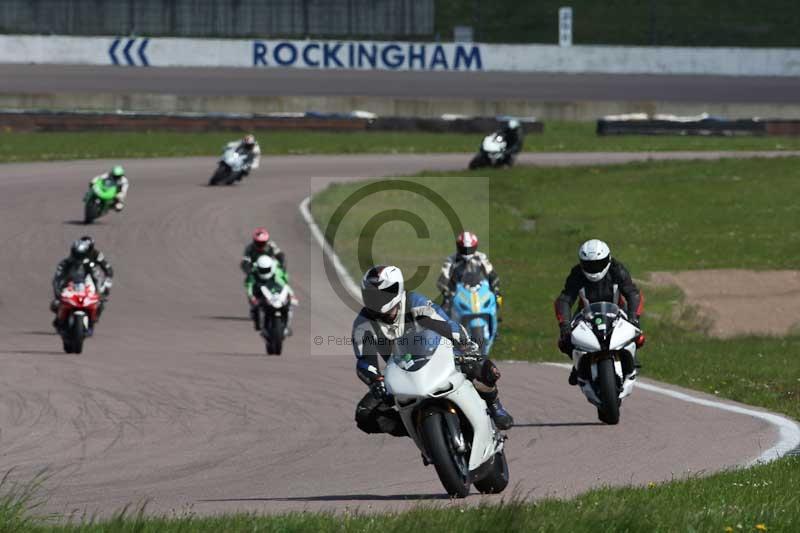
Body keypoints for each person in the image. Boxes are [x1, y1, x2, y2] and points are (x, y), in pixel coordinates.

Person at [352, 265, 514, 436]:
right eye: (372, 295)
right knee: (364, 414)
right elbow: (364, 360)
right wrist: (376, 380)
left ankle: (494, 404)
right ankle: (416, 430)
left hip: (437, 358)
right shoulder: (363, 324)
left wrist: (464, 343)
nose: (377, 300)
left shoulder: (414, 302)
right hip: (401, 375)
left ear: (396, 290)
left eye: (382, 294)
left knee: (483, 366)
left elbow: (445, 323)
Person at [554, 239, 645, 385]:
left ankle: (630, 358)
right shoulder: (577, 273)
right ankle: (579, 365)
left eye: (598, 264)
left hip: (617, 311)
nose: (594, 269)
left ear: (608, 259)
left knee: (639, 337)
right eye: (589, 265)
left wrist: (634, 317)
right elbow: (565, 299)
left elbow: (632, 293)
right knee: (564, 342)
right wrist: (564, 325)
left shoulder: (617, 269)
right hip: (585, 313)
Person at [51, 236, 114, 330]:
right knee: (55, 304)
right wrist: (58, 293)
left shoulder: (94, 258)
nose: (78, 258)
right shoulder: (66, 263)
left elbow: (101, 273)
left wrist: (102, 289)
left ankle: (93, 319)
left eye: (81, 255)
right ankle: (60, 318)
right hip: (71, 282)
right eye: (77, 254)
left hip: (87, 281)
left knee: (100, 302)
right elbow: (57, 278)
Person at [437, 231, 501, 314]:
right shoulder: (451, 260)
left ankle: (494, 317)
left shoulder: (481, 257)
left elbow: (492, 274)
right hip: (458, 293)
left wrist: (495, 289)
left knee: (498, 298)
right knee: (444, 310)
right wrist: (449, 293)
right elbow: (441, 281)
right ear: (459, 247)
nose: (467, 252)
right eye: (464, 249)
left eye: (469, 249)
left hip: (479, 290)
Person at [246, 255, 295, 336]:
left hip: (274, 293)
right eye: (262, 270)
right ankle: (258, 323)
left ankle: (286, 327)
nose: (264, 272)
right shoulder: (253, 273)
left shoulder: (276, 272)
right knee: (255, 307)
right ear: (258, 268)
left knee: (289, 306)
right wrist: (251, 297)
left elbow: (284, 284)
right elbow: (249, 286)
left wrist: (291, 294)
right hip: (259, 292)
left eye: (266, 270)